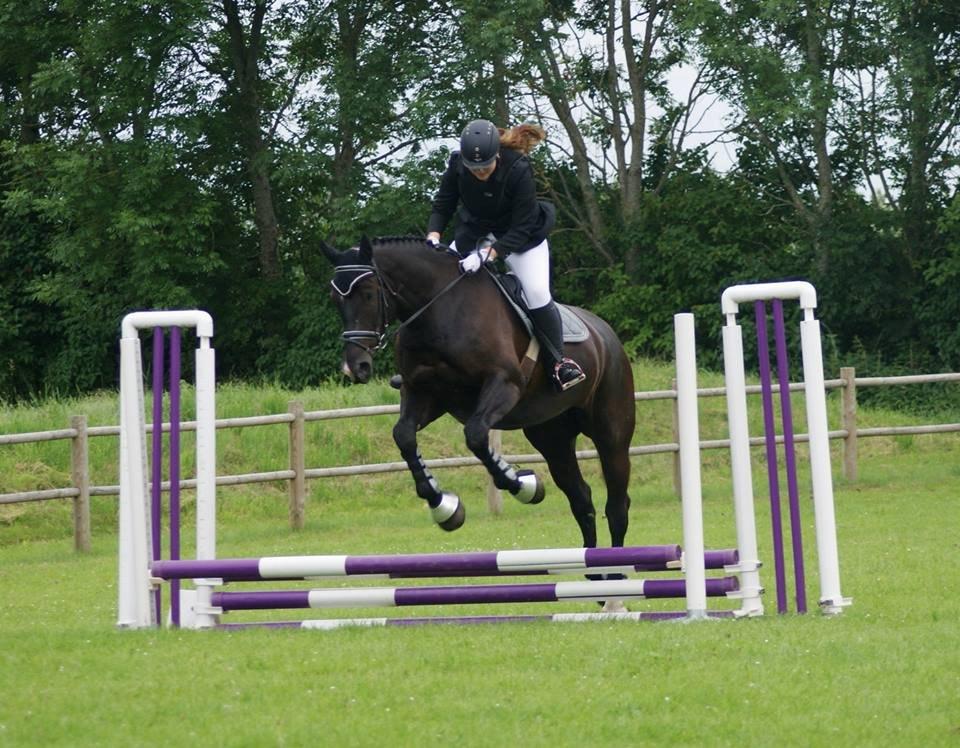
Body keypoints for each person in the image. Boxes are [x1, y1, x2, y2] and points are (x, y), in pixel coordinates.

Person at [425, 119, 586, 391]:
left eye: (485, 166)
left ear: (497, 155)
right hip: (475, 233)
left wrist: (491, 253)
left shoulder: (518, 168)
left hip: (521, 238)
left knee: (535, 292)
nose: (480, 173)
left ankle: (559, 363)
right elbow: (444, 203)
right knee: (439, 286)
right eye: (473, 168)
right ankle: (427, 362)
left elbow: (522, 225)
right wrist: (433, 236)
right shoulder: (456, 165)